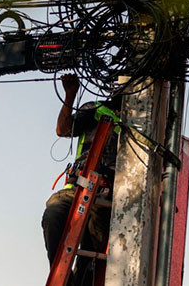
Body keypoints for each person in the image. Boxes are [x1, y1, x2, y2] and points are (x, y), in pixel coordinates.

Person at [41, 74, 121, 286]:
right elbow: (63, 129)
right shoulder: (96, 110)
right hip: (77, 189)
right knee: (54, 213)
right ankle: (63, 279)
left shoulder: (144, 120)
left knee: (91, 253)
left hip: (108, 197)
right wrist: (70, 95)